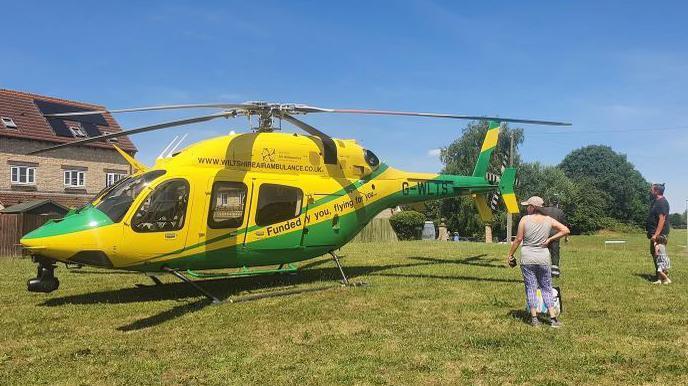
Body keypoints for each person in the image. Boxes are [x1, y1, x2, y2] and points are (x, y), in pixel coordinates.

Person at [506, 196, 570, 327]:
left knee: (531, 288)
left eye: (528, 206)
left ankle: (534, 318)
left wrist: (510, 254)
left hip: (527, 258)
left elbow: (518, 239)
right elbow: (565, 230)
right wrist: (550, 240)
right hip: (543, 258)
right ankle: (553, 319)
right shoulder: (548, 220)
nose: (526, 208)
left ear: (533, 207)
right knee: (546, 287)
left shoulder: (524, 220)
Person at [646, 183, 670, 284]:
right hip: (653, 234)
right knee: (655, 254)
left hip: (659, 235)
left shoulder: (662, 202)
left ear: (656, 191)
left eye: (651, 190)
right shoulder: (655, 202)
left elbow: (662, 219)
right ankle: (659, 277)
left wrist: (656, 235)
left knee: (660, 255)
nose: (650, 191)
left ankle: (665, 278)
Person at [541, 203, 568, 278]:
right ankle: (555, 272)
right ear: (556, 204)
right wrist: (566, 237)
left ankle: (543, 271)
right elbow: (564, 226)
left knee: (543, 252)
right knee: (555, 253)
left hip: (544, 234)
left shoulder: (543, 210)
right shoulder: (560, 212)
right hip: (556, 235)